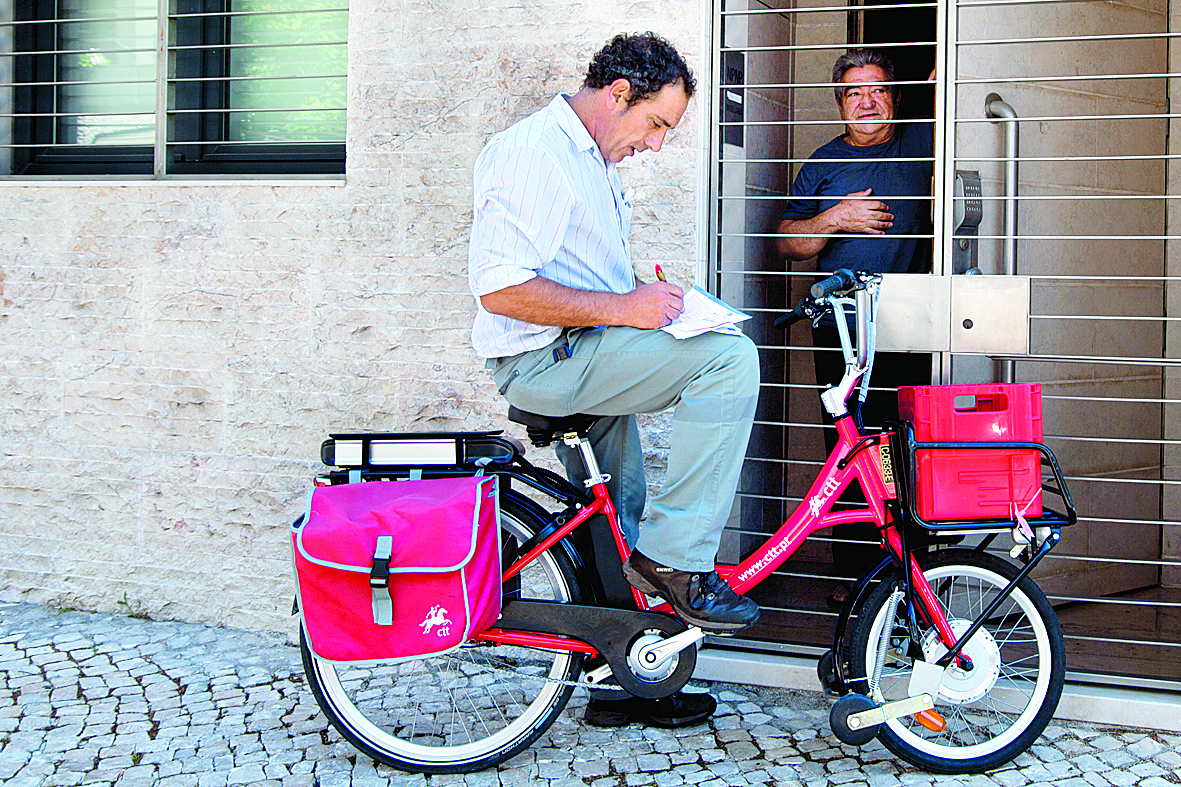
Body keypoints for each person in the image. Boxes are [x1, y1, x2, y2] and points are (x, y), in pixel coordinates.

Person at [468, 33, 761, 728]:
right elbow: (501, 289)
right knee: (729, 360)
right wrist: (622, 308)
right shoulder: (535, 154)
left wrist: (643, 296)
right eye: (656, 124)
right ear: (619, 94)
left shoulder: (591, 158)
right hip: (545, 361)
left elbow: (576, 276)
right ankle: (679, 562)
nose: (656, 145)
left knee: (614, 514)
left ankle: (626, 678)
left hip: (583, 349)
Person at [776, 49, 933, 605]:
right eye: (854, 93)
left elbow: (958, 77)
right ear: (839, 104)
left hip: (908, 320)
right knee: (849, 450)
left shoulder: (920, 144)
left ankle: (911, 579)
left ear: (896, 98)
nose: (867, 102)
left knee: (905, 449)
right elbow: (791, 243)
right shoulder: (822, 162)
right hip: (841, 326)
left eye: (879, 91)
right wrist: (835, 217)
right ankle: (858, 580)